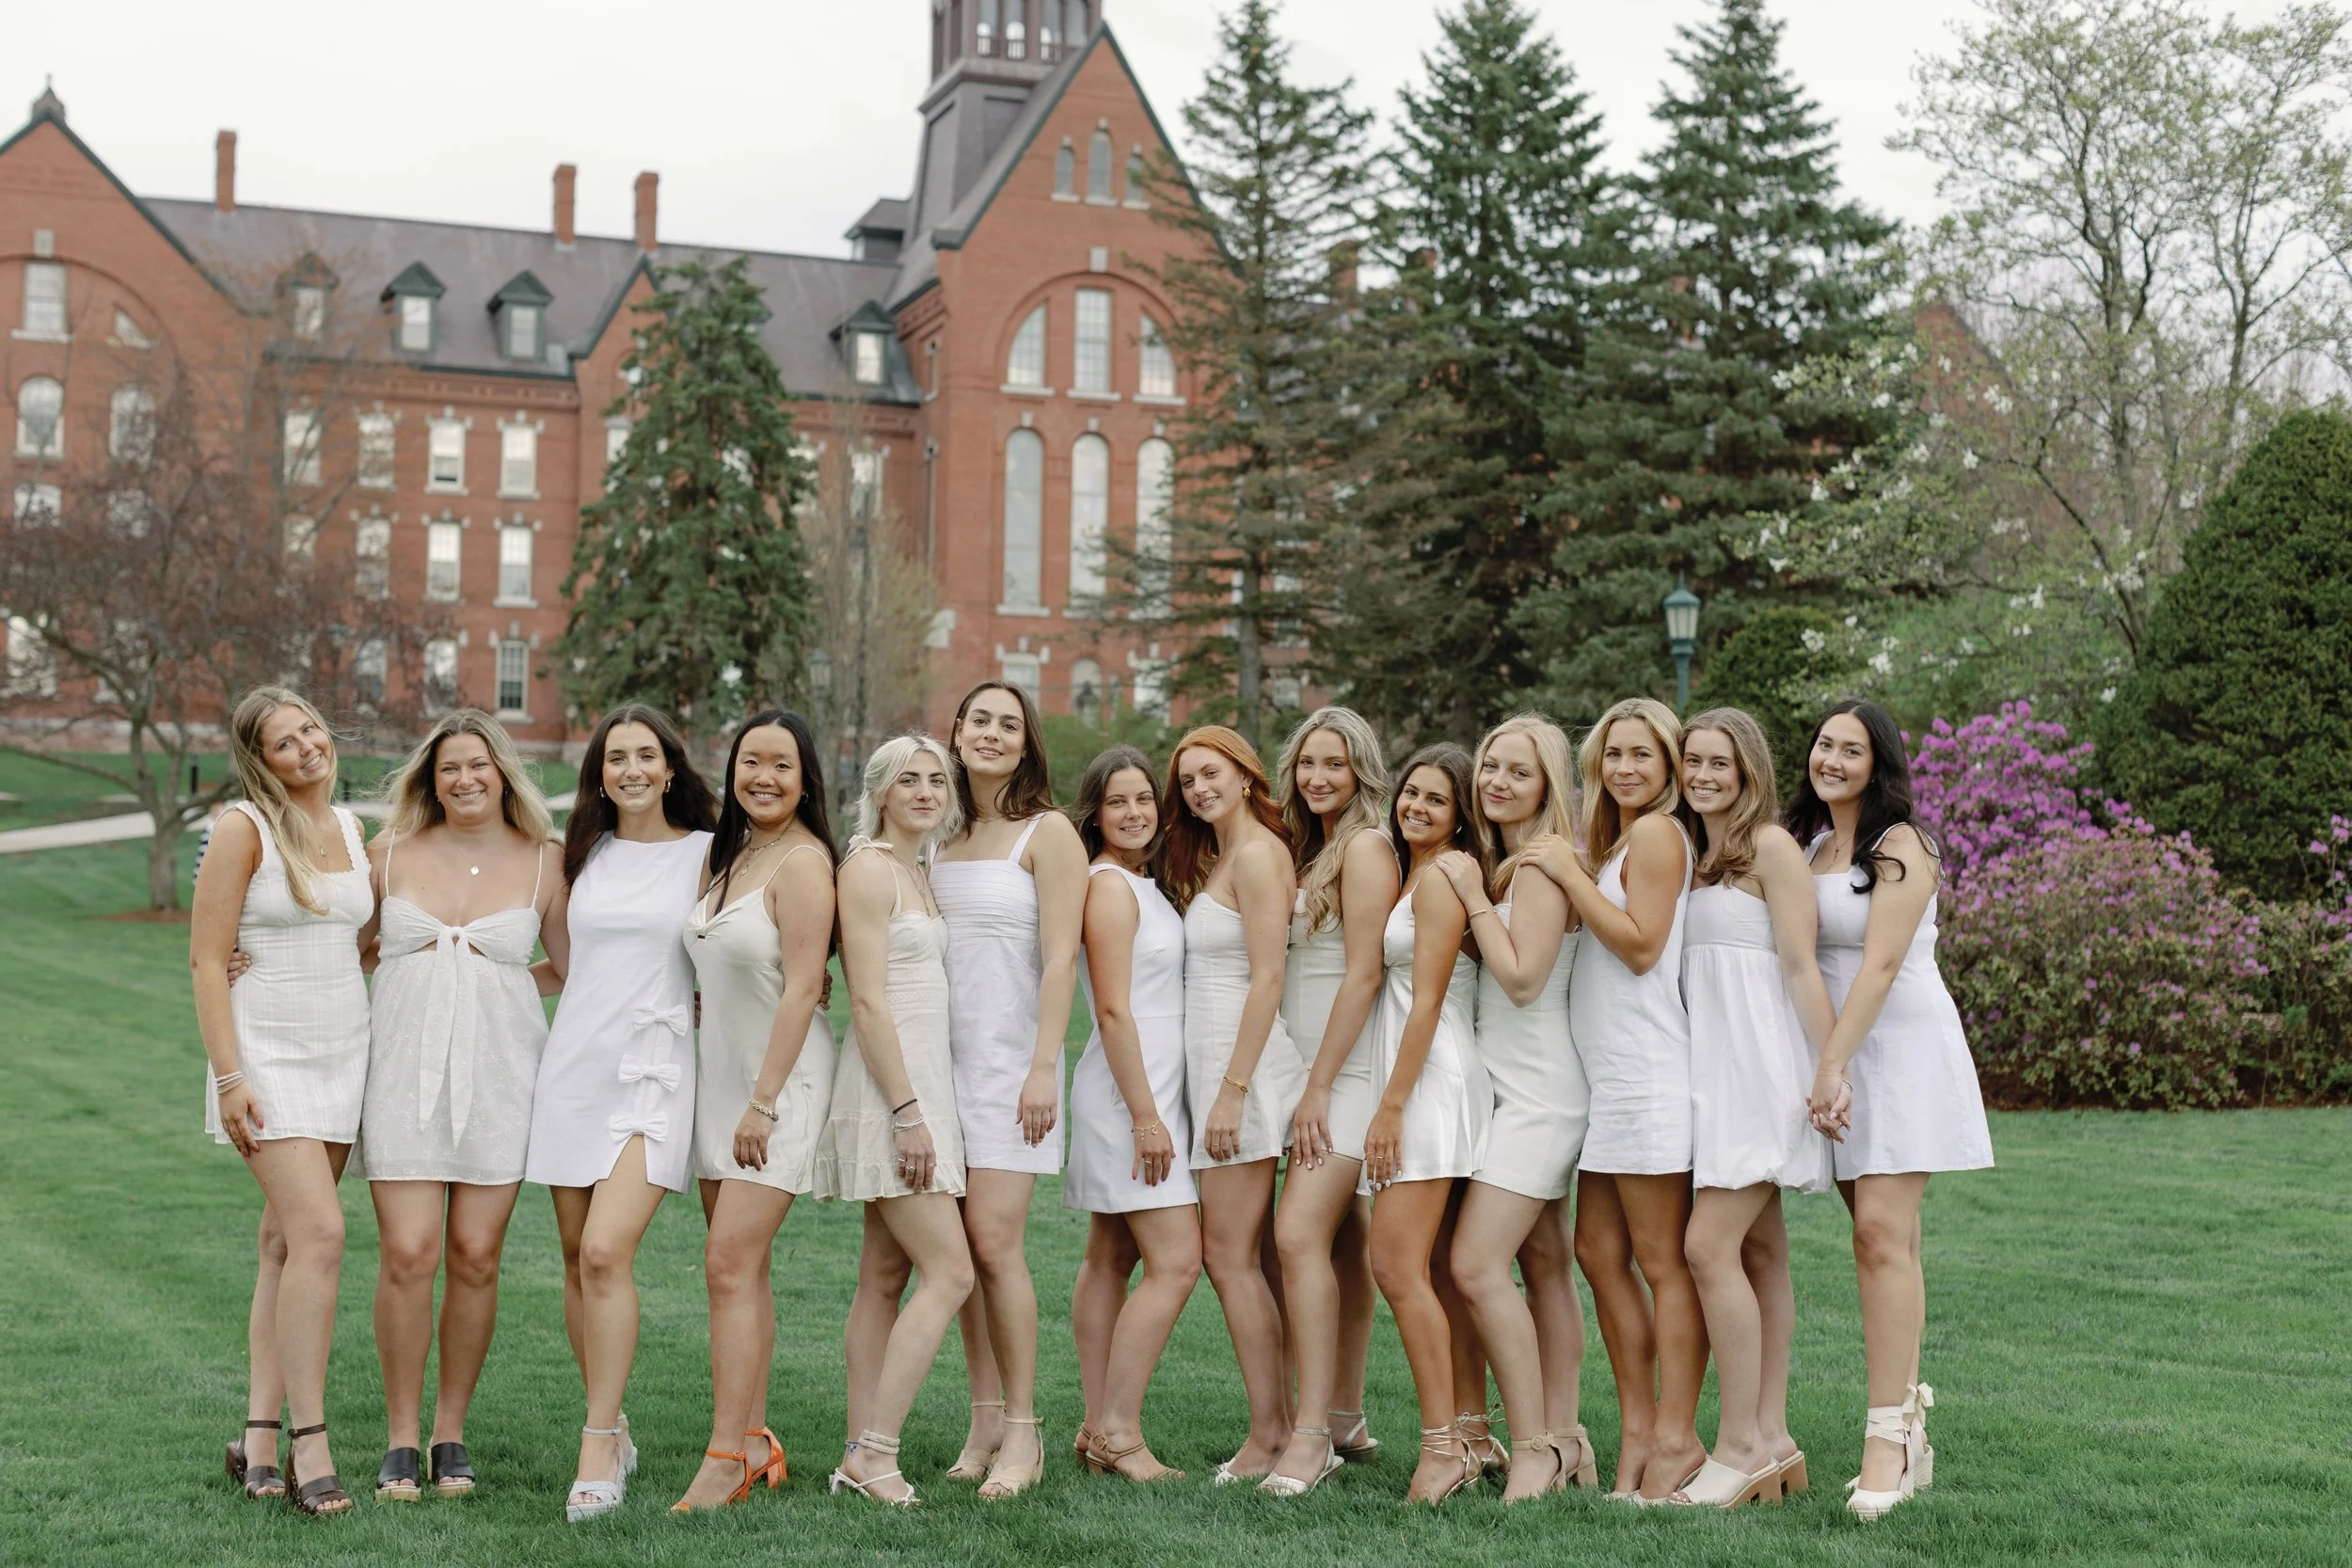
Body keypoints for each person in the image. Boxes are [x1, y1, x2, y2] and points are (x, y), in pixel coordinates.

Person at [1787, 699, 1994, 1522]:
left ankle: (1886, 1438)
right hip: (1832, 1052)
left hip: (1896, 1052)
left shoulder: (1902, 845)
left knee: (1878, 1233)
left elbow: (1878, 966)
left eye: (1851, 748)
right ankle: (1908, 1427)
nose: (1832, 758)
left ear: (1880, 763)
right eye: (1824, 744)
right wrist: (1822, 1060)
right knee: (1887, 1238)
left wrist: (1835, 1064)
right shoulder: (1806, 844)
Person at [358, 710, 564, 1502]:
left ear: (503, 771)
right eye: (450, 768)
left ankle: (451, 1431)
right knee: (410, 1252)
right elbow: (344, 954)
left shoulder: (546, 862)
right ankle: (401, 1438)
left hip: (502, 1075)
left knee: (476, 1254)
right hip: (401, 1074)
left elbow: (579, 968)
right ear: (430, 778)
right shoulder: (386, 857)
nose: (466, 779)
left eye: (479, 764)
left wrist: (495, 977)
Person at [523, 704, 718, 1521]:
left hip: (656, 1069)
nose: (631, 769)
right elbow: (561, 963)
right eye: (616, 758)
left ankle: (597, 1443)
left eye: (646, 755)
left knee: (606, 1251)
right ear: (598, 773)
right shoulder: (582, 852)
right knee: (575, 1255)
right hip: (574, 1065)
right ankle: (618, 1424)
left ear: (671, 766)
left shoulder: (711, 852)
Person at [192, 686, 372, 1516]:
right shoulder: (243, 828)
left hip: (344, 1053)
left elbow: (354, 941)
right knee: (322, 1235)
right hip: (266, 1062)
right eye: (283, 743)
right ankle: (312, 1443)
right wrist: (230, 1076)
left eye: (310, 730)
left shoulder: (351, 829)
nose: (306, 748)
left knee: (283, 1245)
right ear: (259, 760)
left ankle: (256, 1437)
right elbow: (204, 958)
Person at [1524, 696, 1703, 1500]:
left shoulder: (1661, 833)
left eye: (1643, 754)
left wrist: (1564, 869)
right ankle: (1636, 1426)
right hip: (1606, 1083)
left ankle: (1674, 1438)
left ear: (1669, 765)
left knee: (1663, 1262)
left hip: (1646, 1076)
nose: (1626, 767)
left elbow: (1640, 945)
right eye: (1614, 754)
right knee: (1598, 1253)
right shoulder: (1618, 838)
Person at [671, 710, 838, 1512]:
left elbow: (805, 986)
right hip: (721, 1082)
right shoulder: (728, 854)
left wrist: (764, 1102)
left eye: (781, 765)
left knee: (727, 1265)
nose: (763, 777)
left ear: (806, 777)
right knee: (746, 1271)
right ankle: (757, 1439)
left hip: (779, 1087)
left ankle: (722, 1456)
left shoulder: (805, 864)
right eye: (750, 762)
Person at [1670, 708, 1836, 1509]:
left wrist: (1831, 1066)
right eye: (1692, 760)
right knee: (1762, 1254)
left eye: (1719, 763)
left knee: (1708, 1246)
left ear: (1748, 772)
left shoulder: (1770, 846)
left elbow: (1803, 968)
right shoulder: (1692, 854)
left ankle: (1736, 1443)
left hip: (1762, 1075)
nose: (1703, 774)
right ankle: (1772, 1436)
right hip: (1710, 1078)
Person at [928, 682, 1086, 1497]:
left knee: (995, 1244)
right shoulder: (937, 833)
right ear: (955, 734)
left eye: (1008, 724)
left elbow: (1062, 957)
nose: (991, 733)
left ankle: (1025, 1429)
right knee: (955, 1251)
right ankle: (983, 1416)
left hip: (1010, 1070)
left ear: (1027, 745)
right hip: (935, 1071)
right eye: (978, 719)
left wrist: (1040, 1065)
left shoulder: (1047, 832)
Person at [1434, 714, 1597, 1502]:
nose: (1496, 780)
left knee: (1473, 1263)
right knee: (1544, 1265)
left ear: (1547, 786)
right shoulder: (1517, 864)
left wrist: (1469, 895)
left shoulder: (1533, 868)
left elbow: (1524, 978)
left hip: (1537, 1096)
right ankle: (1568, 1437)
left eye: (1517, 771)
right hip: (1514, 1088)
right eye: (1489, 765)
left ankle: (1532, 1446)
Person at [816, 734, 977, 1508]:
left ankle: (857, 1448)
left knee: (884, 1277)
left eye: (936, 779)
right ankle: (875, 1454)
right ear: (880, 791)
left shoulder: (921, 870)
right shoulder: (869, 868)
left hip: (925, 1085)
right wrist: (908, 1112)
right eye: (908, 779)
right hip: (892, 1090)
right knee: (952, 1271)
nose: (924, 790)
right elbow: (869, 999)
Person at [1164, 725, 1304, 1483]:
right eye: (1187, 781)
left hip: (1239, 1071)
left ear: (1247, 775)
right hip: (1220, 1067)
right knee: (1253, 1259)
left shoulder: (1256, 856)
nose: (1199, 789)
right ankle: (1288, 1420)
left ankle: (1270, 1433)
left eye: (1211, 773)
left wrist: (1233, 1090)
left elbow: (1268, 979)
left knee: (1228, 1256)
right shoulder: (1226, 856)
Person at [1063, 746, 1200, 1483]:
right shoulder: (1109, 887)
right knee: (1177, 1261)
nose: (1135, 812)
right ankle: (1119, 1430)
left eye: (1145, 798)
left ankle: (1093, 1427)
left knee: (1111, 1258)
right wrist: (1148, 1117)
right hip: (1129, 1096)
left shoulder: (1146, 885)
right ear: (1096, 811)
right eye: (1118, 801)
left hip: (1144, 1092)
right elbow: (1113, 1011)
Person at [1265, 707, 1393, 1495]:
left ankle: (1309, 1435)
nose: (1319, 777)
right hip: (1301, 1070)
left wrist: (1316, 1089)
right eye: (1309, 762)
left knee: (1295, 1234)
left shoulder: (1369, 847)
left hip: (1341, 1077)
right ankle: (1343, 1411)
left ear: (1363, 772)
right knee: (1345, 1244)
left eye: (1336, 765)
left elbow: (1364, 974)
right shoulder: (1305, 849)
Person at [1361, 745, 1492, 1507]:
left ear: (1458, 815)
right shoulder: (1416, 871)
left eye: (1436, 800)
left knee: (1396, 1264)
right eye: (1411, 792)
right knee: (1438, 1269)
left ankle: (1441, 1447)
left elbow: (1429, 1000)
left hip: (1431, 1080)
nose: (1416, 807)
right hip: (1424, 1074)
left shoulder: (1444, 878)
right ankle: (1472, 1432)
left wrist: (1391, 1105)